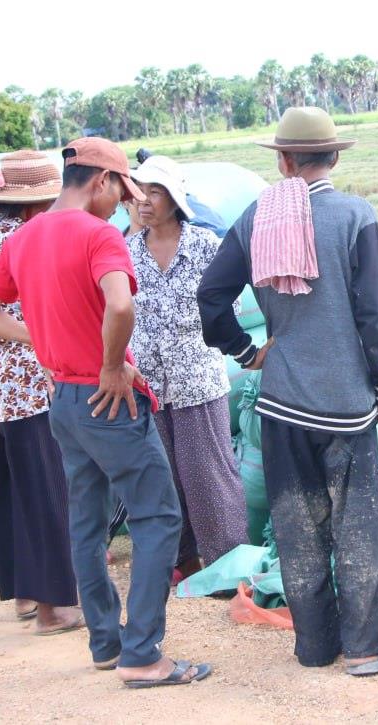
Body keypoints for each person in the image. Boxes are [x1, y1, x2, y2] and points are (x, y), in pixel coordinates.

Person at [0, 137, 211, 689]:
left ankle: (105, 642)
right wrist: (112, 366)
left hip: (64, 404)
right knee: (157, 517)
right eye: (121, 190)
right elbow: (120, 303)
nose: (123, 203)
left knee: (87, 522)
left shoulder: (25, 237)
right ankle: (142, 655)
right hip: (107, 400)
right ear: (102, 181)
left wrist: (40, 338)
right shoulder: (99, 235)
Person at [198, 106, 378, 677]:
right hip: (345, 404)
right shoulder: (355, 216)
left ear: (283, 160)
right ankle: (370, 646)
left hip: (280, 402)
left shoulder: (258, 218)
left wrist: (247, 353)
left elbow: (211, 297)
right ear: (335, 157)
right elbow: (375, 313)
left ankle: (316, 647)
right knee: (362, 527)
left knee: (299, 529)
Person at [0, 151, 83, 635]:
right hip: (27, 381)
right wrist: (46, 341)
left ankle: (26, 596)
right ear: (33, 205)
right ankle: (56, 609)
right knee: (45, 492)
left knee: (4, 493)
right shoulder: (30, 237)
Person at [127, 154, 248, 578]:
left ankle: (227, 564)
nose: (144, 201)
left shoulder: (204, 246)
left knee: (207, 475)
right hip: (148, 384)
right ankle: (183, 560)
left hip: (197, 378)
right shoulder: (126, 252)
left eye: (155, 192)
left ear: (175, 199)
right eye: (139, 192)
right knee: (161, 477)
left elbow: (228, 304)